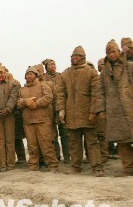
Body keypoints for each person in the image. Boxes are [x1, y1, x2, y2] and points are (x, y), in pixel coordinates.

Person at [56, 46, 105, 177]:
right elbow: (60, 94)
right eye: (72, 56)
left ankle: (97, 167)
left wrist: (94, 111)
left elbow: (96, 94)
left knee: (92, 142)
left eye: (76, 56)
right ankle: (76, 166)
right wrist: (61, 110)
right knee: (73, 143)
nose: (74, 58)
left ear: (83, 57)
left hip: (88, 113)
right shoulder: (65, 73)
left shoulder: (91, 72)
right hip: (71, 114)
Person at [97, 39, 133, 177]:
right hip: (115, 111)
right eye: (108, 52)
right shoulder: (105, 73)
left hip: (130, 108)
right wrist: (101, 110)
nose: (111, 54)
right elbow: (99, 93)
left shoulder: (129, 66)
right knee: (122, 141)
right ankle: (128, 168)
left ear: (119, 52)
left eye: (113, 51)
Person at [17, 66, 58, 172]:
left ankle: (52, 165)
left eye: (31, 74)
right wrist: (25, 102)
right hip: (28, 121)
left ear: (36, 75)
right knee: (32, 145)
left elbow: (49, 97)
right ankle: (33, 165)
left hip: (43, 119)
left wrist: (36, 103)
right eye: (27, 74)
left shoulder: (43, 85)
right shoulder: (22, 89)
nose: (29, 76)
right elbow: (18, 103)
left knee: (46, 144)